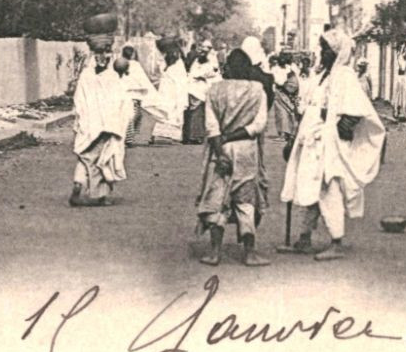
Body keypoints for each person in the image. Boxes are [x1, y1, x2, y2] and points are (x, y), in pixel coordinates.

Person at [279, 27, 386, 261]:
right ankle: (304, 238)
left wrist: (339, 129)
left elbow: (356, 110)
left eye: (326, 49)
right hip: (312, 142)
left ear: (337, 52)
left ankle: (336, 241)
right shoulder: (323, 76)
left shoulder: (345, 76)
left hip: (330, 146)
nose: (322, 52)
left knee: (329, 190)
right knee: (310, 188)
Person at [195, 49, 272, 267]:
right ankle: (249, 253)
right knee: (245, 202)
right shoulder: (258, 90)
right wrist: (234, 136)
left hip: (221, 150)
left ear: (227, 68)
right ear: (248, 69)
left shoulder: (214, 90)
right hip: (246, 150)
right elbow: (258, 126)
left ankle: (214, 252)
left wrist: (221, 153)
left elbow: (211, 127)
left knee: (219, 200)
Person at [71, 34, 128, 206]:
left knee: (84, 157)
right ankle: (99, 196)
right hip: (107, 125)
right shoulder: (112, 77)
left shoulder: (86, 75)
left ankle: (78, 183)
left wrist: (81, 120)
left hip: (88, 124)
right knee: (103, 159)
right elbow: (120, 102)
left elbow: (78, 100)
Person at [155, 35, 190, 142]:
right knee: (165, 112)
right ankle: (162, 134)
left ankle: (170, 135)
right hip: (166, 92)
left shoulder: (177, 65)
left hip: (173, 92)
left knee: (173, 113)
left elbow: (180, 84)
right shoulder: (168, 62)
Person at [391, 52, 406, 123]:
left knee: (402, 97)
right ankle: (399, 113)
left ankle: (403, 113)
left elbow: (402, 67)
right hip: (401, 78)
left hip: (402, 79)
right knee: (399, 97)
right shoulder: (400, 59)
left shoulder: (402, 61)